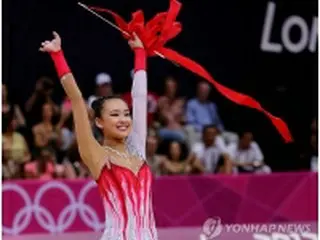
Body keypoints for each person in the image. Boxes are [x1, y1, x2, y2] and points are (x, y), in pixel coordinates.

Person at [39, 31, 157, 239]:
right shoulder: (97, 156)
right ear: (99, 122)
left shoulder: (137, 148)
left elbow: (139, 97)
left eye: (126, 114)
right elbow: (76, 99)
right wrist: (58, 56)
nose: (123, 119)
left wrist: (140, 53)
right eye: (114, 114)